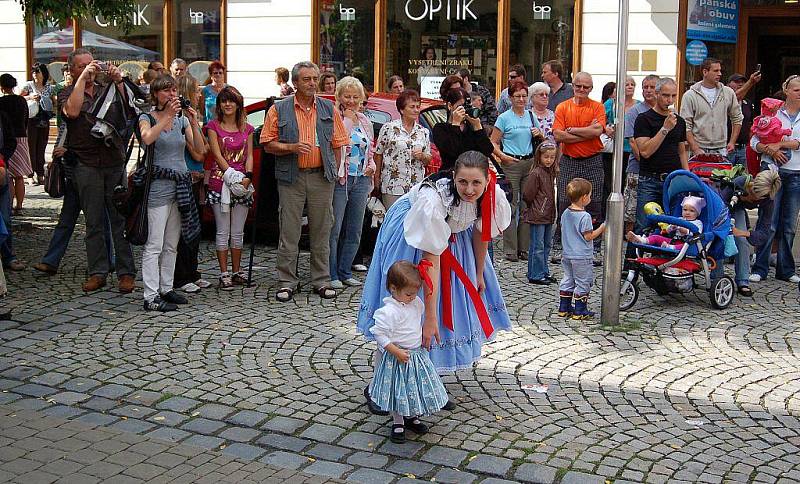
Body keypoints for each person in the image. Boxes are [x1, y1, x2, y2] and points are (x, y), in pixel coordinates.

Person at [358, 150, 512, 410]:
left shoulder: (492, 195)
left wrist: (476, 272)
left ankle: (427, 384)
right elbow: (431, 260)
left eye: (476, 183)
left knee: (450, 303)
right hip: (412, 233)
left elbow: (481, 231)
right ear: (453, 177)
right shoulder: (434, 200)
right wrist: (430, 318)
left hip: (453, 238)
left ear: (488, 179)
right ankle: (378, 387)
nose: (470, 189)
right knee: (405, 309)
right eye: (463, 182)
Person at [261, 61, 349, 302]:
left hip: (322, 177)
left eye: (314, 79)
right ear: (295, 83)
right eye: (307, 79)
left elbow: (339, 142)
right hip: (292, 177)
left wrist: (334, 170)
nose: (312, 83)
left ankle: (321, 279)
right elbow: (267, 143)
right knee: (289, 230)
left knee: (322, 229)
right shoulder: (279, 109)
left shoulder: (328, 107)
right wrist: (291, 147)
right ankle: (287, 281)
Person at [60, 48, 137, 292]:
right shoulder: (66, 92)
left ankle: (126, 273)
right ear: (71, 70)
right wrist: (82, 80)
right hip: (85, 164)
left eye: (90, 65)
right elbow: (72, 111)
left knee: (119, 220)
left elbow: (130, 111)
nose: (88, 69)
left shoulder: (108, 90)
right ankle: (98, 271)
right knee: (93, 222)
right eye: (81, 66)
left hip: (114, 162)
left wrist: (119, 81)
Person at [137, 74, 205, 311]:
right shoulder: (146, 117)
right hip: (158, 187)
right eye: (166, 91)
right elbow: (146, 139)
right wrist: (165, 117)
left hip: (181, 187)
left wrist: (194, 123)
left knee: (171, 243)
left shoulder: (181, 120)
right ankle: (150, 295)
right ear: (156, 94)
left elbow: (199, 150)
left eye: (174, 91)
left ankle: (166, 287)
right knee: (154, 243)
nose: (172, 95)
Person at [368, 260, 448, 444]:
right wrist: (395, 351)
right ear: (393, 289)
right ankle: (398, 421)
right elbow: (379, 334)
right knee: (398, 390)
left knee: (415, 388)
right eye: (409, 294)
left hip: (415, 355)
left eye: (415, 293)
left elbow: (415, 323)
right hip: (398, 357)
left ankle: (412, 416)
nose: (413, 297)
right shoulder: (388, 312)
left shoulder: (416, 303)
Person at [749, 74, 800, 284]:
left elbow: (798, 143)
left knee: (789, 225)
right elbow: (754, 140)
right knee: (768, 221)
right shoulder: (772, 112)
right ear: (786, 90)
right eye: (797, 89)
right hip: (772, 172)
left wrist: (780, 145)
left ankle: (786, 269)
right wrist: (768, 147)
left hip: (796, 173)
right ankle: (759, 267)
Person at [552, 72, 606, 263]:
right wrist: (587, 133)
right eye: (578, 86)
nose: (582, 90)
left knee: (595, 202)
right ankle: (560, 244)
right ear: (572, 86)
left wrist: (572, 131)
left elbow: (598, 130)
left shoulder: (597, 107)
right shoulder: (563, 107)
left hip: (592, 159)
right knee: (565, 202)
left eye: (586, 87)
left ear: (591, 89)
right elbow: (558, 136)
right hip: (569, 159)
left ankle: (594, 246)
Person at [490, 80, 544, 261]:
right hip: (511, 163)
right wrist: (502, 156)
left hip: (529, 162)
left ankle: (524, 247)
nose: (521, 99)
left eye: (523, 96)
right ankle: (510, 249)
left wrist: (539, 135)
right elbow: (493, 142)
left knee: (527, 204)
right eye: (517, 96)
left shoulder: (530, 115)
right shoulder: (504, 118)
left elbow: (541, 139)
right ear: (510, 98)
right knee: (511, 205)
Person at [206, 86, 254, 290]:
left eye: (231, 101)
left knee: (238, 231)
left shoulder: (248, 129)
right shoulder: (213, 126)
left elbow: (250, 155)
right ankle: (224, 272)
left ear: (238, 104)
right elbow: (216, 155)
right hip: (220, 182)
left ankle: (237, 271)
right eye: (224, 101)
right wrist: (231, 176)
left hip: (243, 183)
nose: (227, 104)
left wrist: (248, 178)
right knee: (222, 230)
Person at [329, 77, 375, 289]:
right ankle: (331, 273)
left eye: (356, 97)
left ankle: (345, 270)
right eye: (347, 96)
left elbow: (370, 149)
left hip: (361, 179)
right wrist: (347, 119)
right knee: (335, 228)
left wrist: (372, 166)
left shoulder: (365, 121)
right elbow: (339, 141)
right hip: (341, 179)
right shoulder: (335, 117)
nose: (351, 100)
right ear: (339, 97)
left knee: (355, 230)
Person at [633, 78, 689, 236]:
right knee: (643, 225)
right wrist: (665, 129)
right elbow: (645, 151)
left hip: (673, 180)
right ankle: (633, 260)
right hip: (649, 180)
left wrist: (688, 178)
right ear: (656, 94)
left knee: (673, 225)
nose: (669, 100)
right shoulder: (644, 119)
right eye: (665, 95)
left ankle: (666, 258)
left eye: (673, 96)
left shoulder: (680, 122)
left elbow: (682, 151)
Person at [172, 74, 211, 293]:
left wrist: (195, 122)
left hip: (195, 179)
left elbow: (204, 149)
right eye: (196, 89)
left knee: (194, 230)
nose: (200, 94)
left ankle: (193, 272)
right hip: (183, 177)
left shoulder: (192, 117)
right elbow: (198, 153)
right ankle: (181, 276)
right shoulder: (178, 119)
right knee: (183, 230)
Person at [718, 170, 782, 296]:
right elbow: (721, 202)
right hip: (724, 205)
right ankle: (717, 277)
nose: (752, 195)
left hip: (739, 209)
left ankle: (743, 280)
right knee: (720, 238)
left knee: (742, 242)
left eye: (756, 195)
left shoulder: (768, 200)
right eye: (752, 191)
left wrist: (744, 233)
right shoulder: (739, 182)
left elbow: (764, 232)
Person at [374, 89, 432, 209]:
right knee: (394, 221)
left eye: (418, 106)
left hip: (415, 186)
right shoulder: (389, 128)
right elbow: (378, 153)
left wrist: (422, 156)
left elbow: (428, 159)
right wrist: (376, 178)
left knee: (412, 223)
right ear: (401, 109)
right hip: (392, 184)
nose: (416, 110)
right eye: (412, 107)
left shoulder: (423, 132)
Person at [558, 178, 605, 320]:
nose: (590, 198)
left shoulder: (566, 212)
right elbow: (588, 236)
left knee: (568, 279)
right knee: (583, 281)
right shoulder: (585, 216)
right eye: (590, 195)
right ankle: (580, 310)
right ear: (584, 198)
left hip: (567, 254)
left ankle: (564, 308)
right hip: (581, 256)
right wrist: (602, 228)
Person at [680, 57, 743, 157]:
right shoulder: (690, 95)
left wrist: (732, 142)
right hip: (698, 147)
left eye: (720, 70)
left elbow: (737, 118)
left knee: (720, 173)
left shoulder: (728, 92)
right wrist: (695, 148)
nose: (720, 74)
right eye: (716, 71)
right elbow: (685, 125)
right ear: (705, 72)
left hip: (721, 148)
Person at [624, 75, 659, 236]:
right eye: (645, 87)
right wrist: (647, 162)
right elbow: (633, 142)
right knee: (633, 210)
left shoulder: (666, 111)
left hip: (658, 171)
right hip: (638, 168)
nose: (648, 90)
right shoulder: (635, 112)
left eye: (652, 87)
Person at [432, 88, 493, 172]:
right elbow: (453, 151)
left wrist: (478, 127)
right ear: (450, 106)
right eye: (460, 107)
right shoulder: (440, 129)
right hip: (451, 173)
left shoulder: (472, 127)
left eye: (467, 106)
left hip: (474, 174)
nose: (464, 110)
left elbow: (487, 151)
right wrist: (456, 124)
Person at [522, 142, 558, 284]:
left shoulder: (551, 172)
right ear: (540, 157)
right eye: (546, 157)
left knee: (546, 245)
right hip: (538, 214)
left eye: (552, 157)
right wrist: (537, 206)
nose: (549, 160)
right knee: (537, 246)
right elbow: (527, 194)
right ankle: (535, 274)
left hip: (548, 214)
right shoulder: (536, 173)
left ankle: (543, 271)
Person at [602, 76, 637, 219]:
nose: (629, 87)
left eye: (632, 84)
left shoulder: (638, 105)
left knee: (627, 186)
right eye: (626, 84)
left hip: (630, 150)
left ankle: (624, 219)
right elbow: (600, 121)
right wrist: (606, 129)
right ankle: (609, 218)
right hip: (612, 150)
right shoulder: (610, 103)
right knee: (610, 185)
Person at [0, 74, 33, 216]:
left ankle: (10, 205)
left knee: (9, 175)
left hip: (8, 139)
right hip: (22, 138)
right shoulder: (21, 100)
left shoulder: (1, 102)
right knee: (19, 176)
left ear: (2, 87)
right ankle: (19, 205)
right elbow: (26, 119)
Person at [626, 195, 704, 249]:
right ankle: (643, 240)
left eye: (692, 211)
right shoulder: (679, 219)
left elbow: (698, 234)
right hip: (673, 240)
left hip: (686, 244)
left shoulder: (698, 223)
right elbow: (667, 230)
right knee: (656, 237)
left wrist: (685, 231)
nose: (687, 213)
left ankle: (670, 247)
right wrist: (671, 227)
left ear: (697, 213)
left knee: (686, 246)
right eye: (685, 210)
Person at [21, 63, 54, 185]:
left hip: (44, 120)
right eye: (33, 71)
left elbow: (53, 102)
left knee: (41, 147)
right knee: (31, 147)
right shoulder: (29, 85)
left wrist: (49, 102)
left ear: (43, 73)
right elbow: (18, 98)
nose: (35, 74)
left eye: (37, 71)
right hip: (31, 119)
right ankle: (30, 175)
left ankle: (40, 174)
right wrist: (29, 97)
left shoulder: (49, 87)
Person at [726, 71, 761, 166]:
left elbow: (751, 123)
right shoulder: (724, 100)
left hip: (742, 148)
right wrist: (751, 81)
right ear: (728, 84)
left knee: (742, 178)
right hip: (726, 147)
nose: (740, 84)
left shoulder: (747, 103)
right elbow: (735, 97)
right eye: (737, 82)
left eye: (743, 82)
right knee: (724, 178)